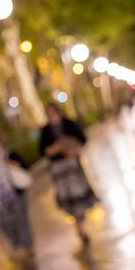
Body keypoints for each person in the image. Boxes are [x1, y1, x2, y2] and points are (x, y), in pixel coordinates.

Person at [39, 102, 97, 245]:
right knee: (68, 201)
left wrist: (73, 147)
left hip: (73, 166)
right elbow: (42, 150)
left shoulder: (68, 124)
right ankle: (79, 227)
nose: (52, 117)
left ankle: (82, 228)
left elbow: (83, 138)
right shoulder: (46, 130)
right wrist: (54, 149)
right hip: (59, 170)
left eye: (54, 113)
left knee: (79, 198)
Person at [0, 128, 34, 258]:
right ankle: (15, 242)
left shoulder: (9, 154)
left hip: (16, 193)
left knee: (22, 220)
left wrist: (11, 164)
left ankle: (28, 246)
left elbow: (25, 166)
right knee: (5, 222)